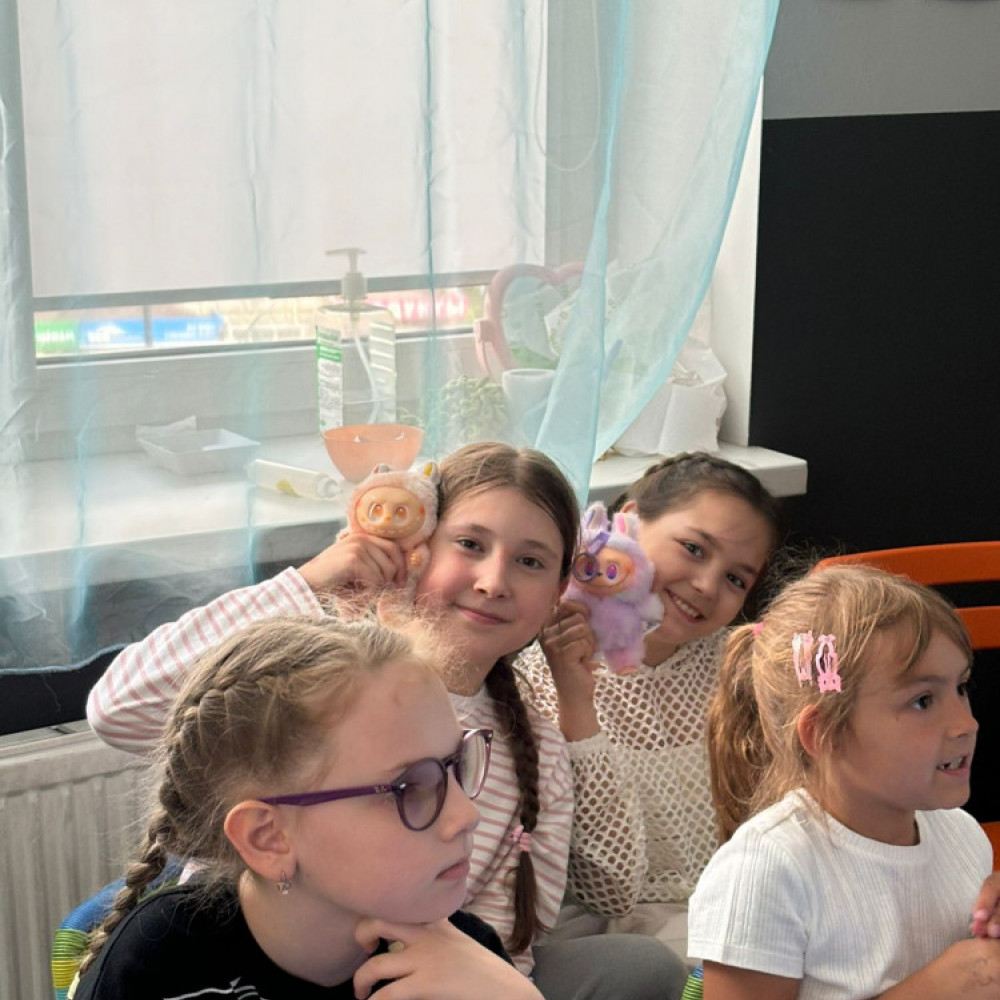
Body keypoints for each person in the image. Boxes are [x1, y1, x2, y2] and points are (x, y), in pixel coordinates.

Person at [87, 442, 688, 1000]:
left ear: (558, 590)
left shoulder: (533, 745)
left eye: (530, 561)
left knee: (644, 966)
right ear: (415, 545)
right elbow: (119, 710)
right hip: (260, 951)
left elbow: (539, 922)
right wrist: (309, 581)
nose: (493, 582)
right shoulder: (318, 680)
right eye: (470, 544)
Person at [74, 614, 545, 1000]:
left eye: (457, 764)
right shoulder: (159, 967)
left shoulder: (466, 966)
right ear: (269, 838)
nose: (466, 815)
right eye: (410, 786)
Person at [516, 452, 783, 965]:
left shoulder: (743, 668)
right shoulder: (541, 680)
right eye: (694, 549)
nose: (707, 585)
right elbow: (610, 892)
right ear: (630, 523)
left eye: (736, 579)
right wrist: (577, 706)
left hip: (740, 914)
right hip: (619, 944)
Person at [687, 564, 1000, 1000]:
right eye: (923, 700)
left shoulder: (963, 837)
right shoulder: (766, 871)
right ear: (823, 734)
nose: (966, 723)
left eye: (961, 688)